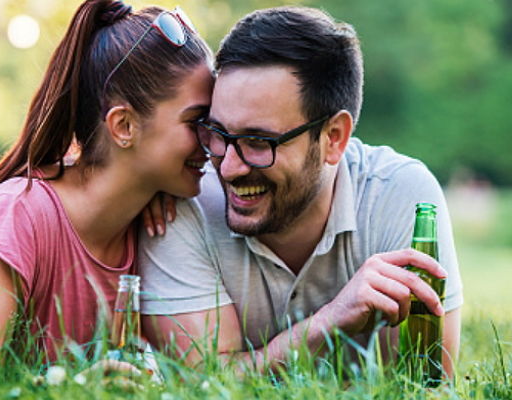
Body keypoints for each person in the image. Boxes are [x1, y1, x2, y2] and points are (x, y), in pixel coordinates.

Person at [0, 0, 213, 364]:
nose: (214, 138)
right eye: (196, 121)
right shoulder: (18, 215)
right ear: (123, 126)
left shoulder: (158, 214)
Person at [139, 6, 463, 379]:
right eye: (218, 133)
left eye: (258, 141)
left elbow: (421, 382)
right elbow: (202, 383)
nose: (228, 167)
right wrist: (329, 321)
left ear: (333, 138)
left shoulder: (400, 195)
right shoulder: (181, 203)